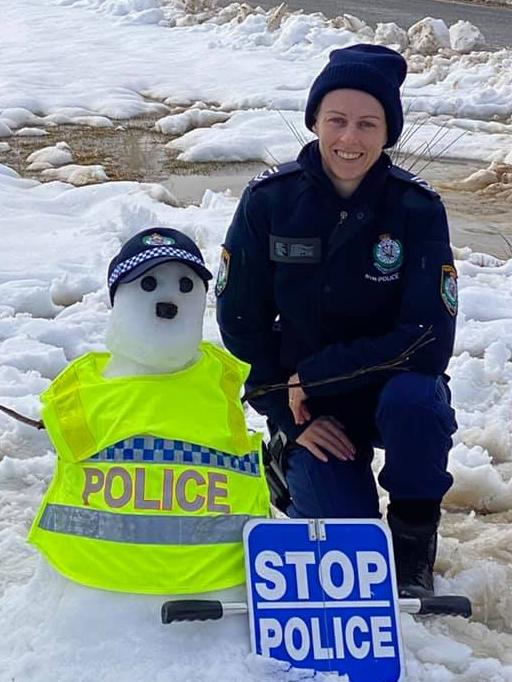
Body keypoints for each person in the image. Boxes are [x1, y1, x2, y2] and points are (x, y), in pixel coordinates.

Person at [216, 44, 459, 599]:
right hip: (308, 406)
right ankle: (286, 460)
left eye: (368, 124)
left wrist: (320, 371)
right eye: (337, 121)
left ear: (387, 133)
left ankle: (414, 539)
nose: (350, 139)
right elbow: (241, 326)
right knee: (350, 542)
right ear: (315, 122)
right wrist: (289, 412)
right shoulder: (269, 202)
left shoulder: (416, 209)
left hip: (390, 394)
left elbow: (429, 340)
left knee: (419, 402)